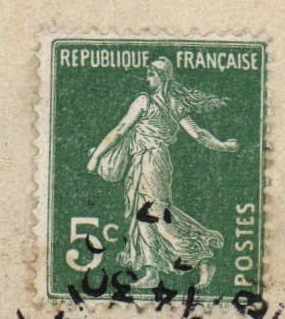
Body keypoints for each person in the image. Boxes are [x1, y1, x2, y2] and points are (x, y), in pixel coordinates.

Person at [87, 57, 238, 289]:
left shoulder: (144, 101)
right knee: (143, 216)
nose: (147, 78)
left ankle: (201, 256)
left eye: (151, 74)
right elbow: (199, 134)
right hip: (149, 162)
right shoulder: (176, 104)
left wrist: (97, 156)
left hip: (151, 163)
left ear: (161, 77)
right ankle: (152, 271)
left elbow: (120, 130)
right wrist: (223, 145)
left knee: (157, 215)